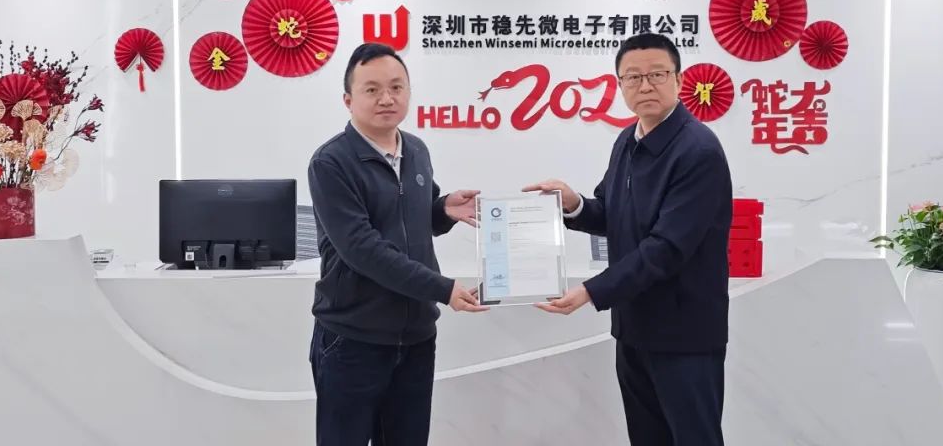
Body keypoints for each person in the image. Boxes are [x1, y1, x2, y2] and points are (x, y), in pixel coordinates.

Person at [524, 32, 733, 446]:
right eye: (633, 77)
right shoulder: (627, 140)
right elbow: (612, 213)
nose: (645, 85)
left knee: (694, 438)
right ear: (620, 85)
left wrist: (590, 291)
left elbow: (666, 248)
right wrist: (572, 203)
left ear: (679, 79)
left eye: (657, 74)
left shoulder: (698, 151)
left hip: (684, 334)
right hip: (634, 328)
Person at [307, 42, 488, 446]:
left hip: (416, 337)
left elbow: (413, 221)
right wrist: (443, 288)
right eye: (372, 89)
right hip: (353, 338)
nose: (386, 98)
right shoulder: (331, 162)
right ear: (348, 100)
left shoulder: (416, 150)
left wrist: (443, 209)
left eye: (396, 87)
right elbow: (362, 249)